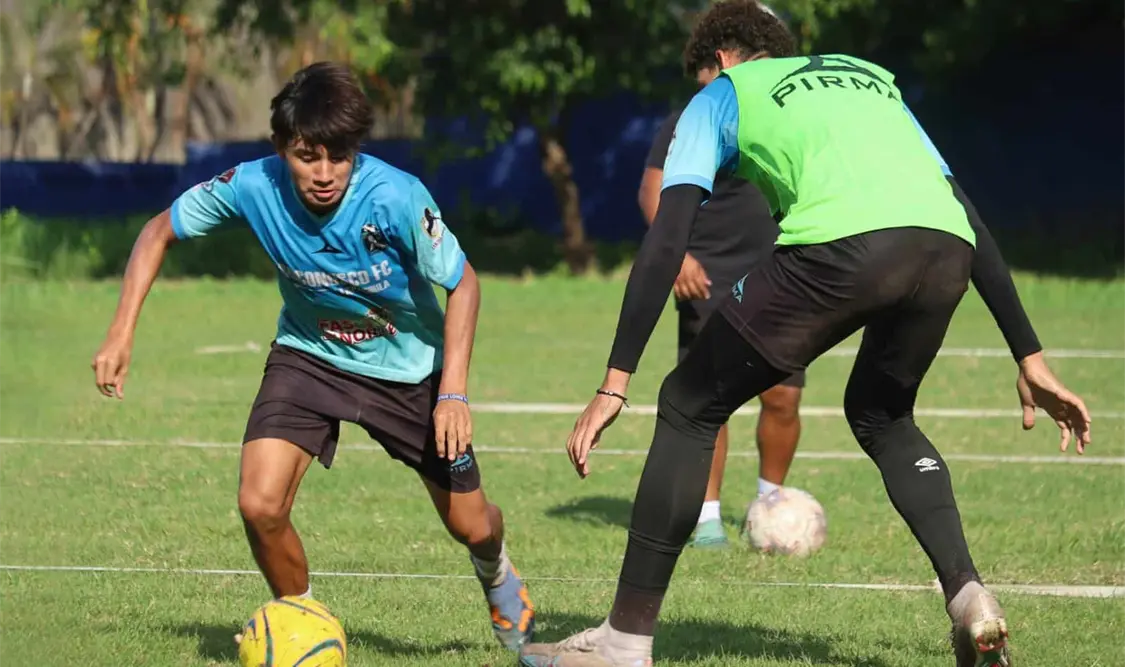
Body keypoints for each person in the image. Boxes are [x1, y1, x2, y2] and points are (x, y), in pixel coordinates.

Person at [519, 2, 1091, 666]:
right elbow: (963, 209)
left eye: (700, 78)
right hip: (945, 249)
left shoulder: (721, 95)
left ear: (720, 59)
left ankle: (622, 644)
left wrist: (613, 382)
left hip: (842, 249)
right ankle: (969, 596)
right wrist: (1028, 354)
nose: (699, 91)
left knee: (686, 403)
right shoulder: (867, 76)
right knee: (882, 414)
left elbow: (666, 239)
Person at [90, 61, 535, 652]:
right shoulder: (252, 185)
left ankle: (496, 569)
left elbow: (464, 283)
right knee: (259, 504)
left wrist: (452, 392)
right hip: (309, 356)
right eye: (307, 157)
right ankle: (301, 628)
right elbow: (158, 231)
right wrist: (120, 332)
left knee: (470, 524)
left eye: (338, 157)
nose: (324, 174)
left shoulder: (396, 196)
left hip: (409, 372)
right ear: (281, 148)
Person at [638, 58, 804, 551]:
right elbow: (652, 190)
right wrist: (677, 256)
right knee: (710, 398)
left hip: (780, 269)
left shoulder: (789, 116)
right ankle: (707, 518)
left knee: (783, 396)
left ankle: (770, 507)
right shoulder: (692, 118)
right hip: (707, 273)